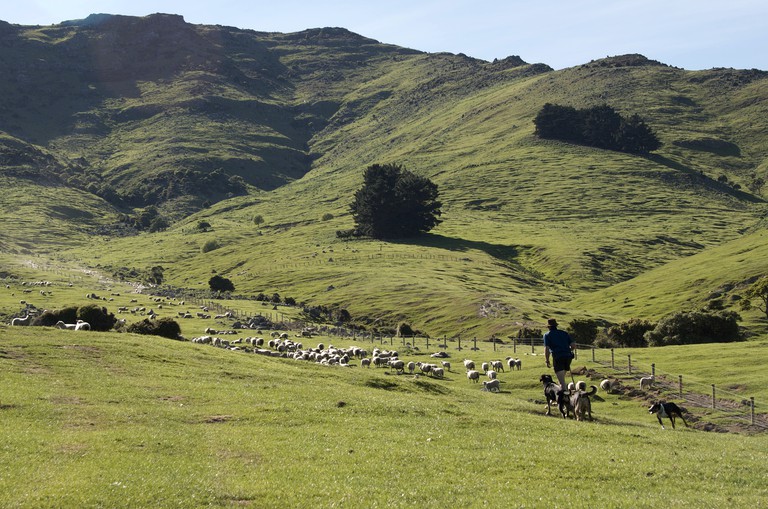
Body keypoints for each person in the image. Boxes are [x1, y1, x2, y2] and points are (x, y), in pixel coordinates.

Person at [543, 318, 574, 392]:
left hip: (558, 357)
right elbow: (573, 345)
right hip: (568, 357)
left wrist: (547, 360)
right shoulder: (564, 333)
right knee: (562, 378)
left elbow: (546, 348)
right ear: (556, 325)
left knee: (562, 381)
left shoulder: (547, 335)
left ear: (548, 327)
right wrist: (568, 350)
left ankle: (565, 399)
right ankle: (562, 394)